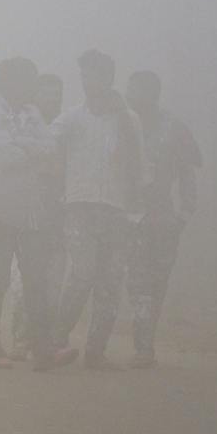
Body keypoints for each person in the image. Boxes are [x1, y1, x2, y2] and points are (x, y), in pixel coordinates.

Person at [0, 57, 69, 369]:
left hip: (31, 211)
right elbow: (5, 157)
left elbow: (51, 150)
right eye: (29, 81)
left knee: (35, 281)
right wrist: (32, 149)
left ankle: (42, 350)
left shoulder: (32, 114)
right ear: (10, 83)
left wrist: (23, 147)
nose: (33, 88)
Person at [53, 49, 142, 369]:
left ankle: (96, 350)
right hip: (79, 205)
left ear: (109, 78)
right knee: (82, 272)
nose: (90, 82)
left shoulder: (129, 120)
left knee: (110, 281)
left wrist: (135, 209)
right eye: (85, 76)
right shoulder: (72, 117)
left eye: (96, 76)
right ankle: (55, 338)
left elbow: (137, 162)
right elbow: (50, 147)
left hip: (117, 208)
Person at [123, 70, 202, 368]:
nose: (131, 95)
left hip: (165, 218)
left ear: (152, 93)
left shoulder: (174, 129)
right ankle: (143, 348)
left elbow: (187, 175)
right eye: (131, 90)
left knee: (158, 283)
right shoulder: (122, 125)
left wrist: (184, 215)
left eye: (137, 90)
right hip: (131, 218)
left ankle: (146, 343)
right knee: (138, 283)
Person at [9, 72, 68, 359]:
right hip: (28, 215)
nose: (53, 100)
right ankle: (22, 340)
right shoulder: (23, 125)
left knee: (54, 281)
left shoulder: (67, 128)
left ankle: (43, 341)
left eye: (57, 95)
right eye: (47, 94)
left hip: (59, 216)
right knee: (26, 281)